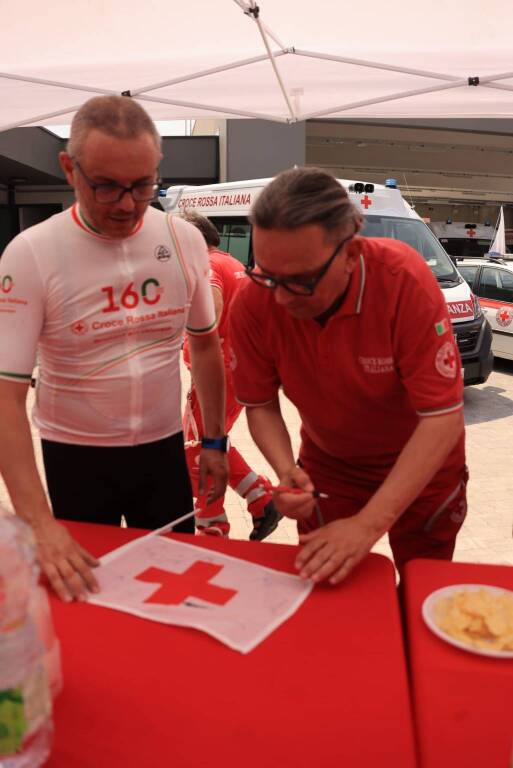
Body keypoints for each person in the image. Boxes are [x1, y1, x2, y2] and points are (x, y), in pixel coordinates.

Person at [0, 95, 228, 603]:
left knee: (177, 597)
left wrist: (214, 442)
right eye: (106, 186)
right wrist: (39, 523)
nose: (127, 204)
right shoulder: (31, 253)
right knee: (89, 600)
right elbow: (5, 399)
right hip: (75, 458)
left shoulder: (184, 239)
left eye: (144, 185)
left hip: (163, 451)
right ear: (68, 168)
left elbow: (206, 346)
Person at [229, 167, 468, 585]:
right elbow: (260, 403)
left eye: (301, 281)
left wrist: (368, 524)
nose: (281, 298)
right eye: (268, 274)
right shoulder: (254, 301)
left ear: (351, 252)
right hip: (331, 465)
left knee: (421, 588)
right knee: (323, 583)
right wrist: (287, 471)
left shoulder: (402, 280)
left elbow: (442, 417)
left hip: (423, 463)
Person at [181, 211, 281, 540]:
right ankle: (260, 499)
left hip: (217, 373)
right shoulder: (236, 266)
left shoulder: (207, 267)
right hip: (239, 369)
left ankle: (214, 528)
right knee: (211, 441)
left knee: (197, 446)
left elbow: (209, 314)